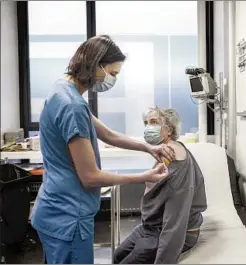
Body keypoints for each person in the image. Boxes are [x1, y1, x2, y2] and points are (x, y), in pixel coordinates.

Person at [30, 35, 175, 264]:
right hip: (69, 218)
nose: (113, 80)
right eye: (113, 74)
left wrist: (147, 147)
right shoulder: (72, 106)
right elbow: (90, 177)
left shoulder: (63, 90)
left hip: (52, 210)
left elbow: (107, 134)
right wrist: (143, 177)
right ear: (96, 64)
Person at [113, 107, 208, 264]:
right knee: (118, 255)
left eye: (154, 122)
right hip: (151, 227)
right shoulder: (164, 151)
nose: (148, 128)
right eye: (146, 123)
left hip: (174, 232)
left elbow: (175, 224)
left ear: (169, 129)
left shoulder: (177, 164)